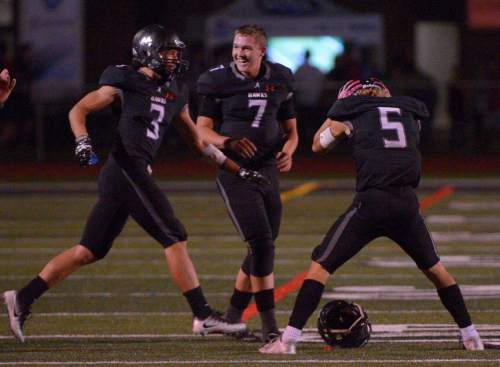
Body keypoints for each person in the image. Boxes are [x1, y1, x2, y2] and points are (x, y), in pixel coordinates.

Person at [2, 24, 269, 343]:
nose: (173, 60)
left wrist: (238, 169)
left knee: (88, 251)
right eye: (166, 53)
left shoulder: (176, 91)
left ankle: (22, 298)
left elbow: (199, 145)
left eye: (175, 54)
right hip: (127, 167)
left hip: (129, 174)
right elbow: (80, 109)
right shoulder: (125, 79)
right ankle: (203, 315)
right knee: (174, 235)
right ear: (146, 52)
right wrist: (83, 142)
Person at [259, 78, 484, 354]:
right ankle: (471, 336)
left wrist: (338, 111)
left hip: (371, 203)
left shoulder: (352, 113)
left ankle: (289, 340)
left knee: (320, 267)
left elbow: (319, 145)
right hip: (406, 204)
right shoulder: (411, 114)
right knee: (437, 271)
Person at [196, 24, 298, 342]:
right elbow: (201, 130)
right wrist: (228, 142)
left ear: (262, 51)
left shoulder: (281, 77)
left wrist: (289, 152)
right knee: (262, 244)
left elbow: (292, 131)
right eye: (237, 47)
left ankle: (231, 319)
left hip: (268, 169)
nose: (240, 53)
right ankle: (270, 328)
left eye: (247, 48)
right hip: (235, 171)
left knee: (263, 246)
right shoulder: (216, 80)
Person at [294, 50, 324, 146]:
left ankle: (304, 144)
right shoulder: (315, 70)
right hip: (312, 101)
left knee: (304, 124)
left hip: (305, 102)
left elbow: (295, 86)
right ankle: (310, 143)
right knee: (311, 124)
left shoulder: (300, 69)